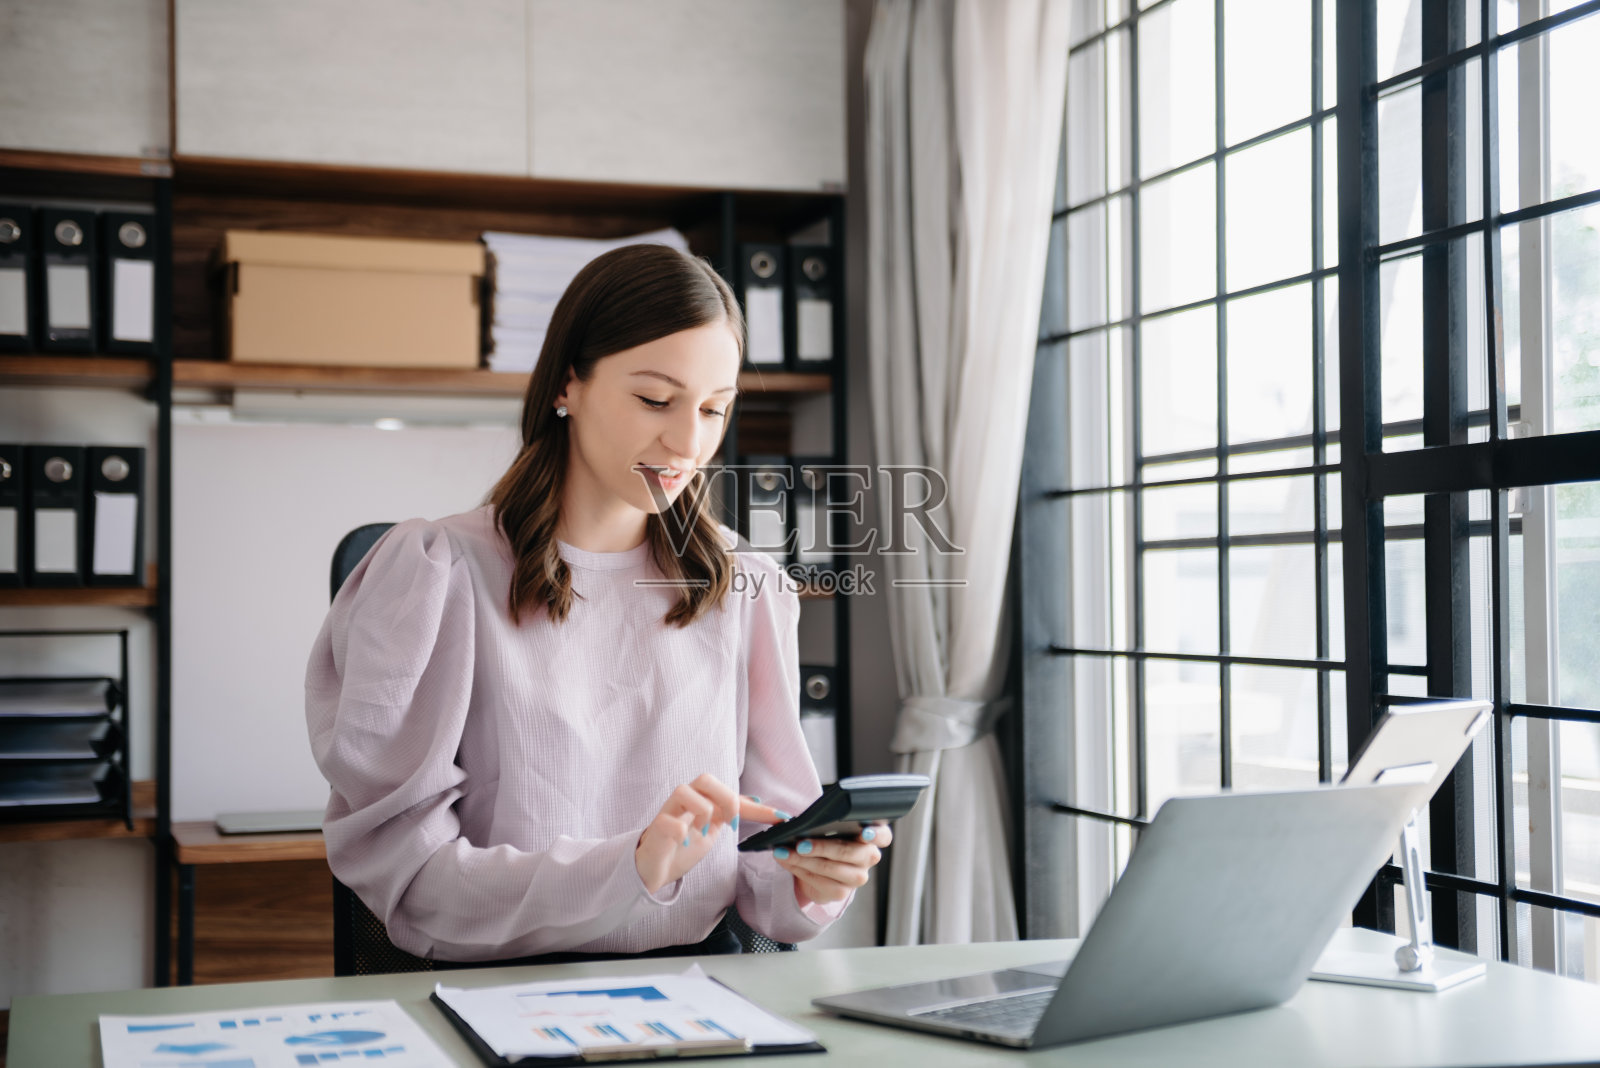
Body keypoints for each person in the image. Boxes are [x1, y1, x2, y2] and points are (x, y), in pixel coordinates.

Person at [305, 243, 887, 964]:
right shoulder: (439, 575)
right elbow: (410, 880)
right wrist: (629, 867)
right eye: (654, 399)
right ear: (567, 385)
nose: (688, 441)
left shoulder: (747, 587)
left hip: (699, 995)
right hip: (492, 992)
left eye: (715, 409)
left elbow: (766, 880)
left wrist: (814, 874)